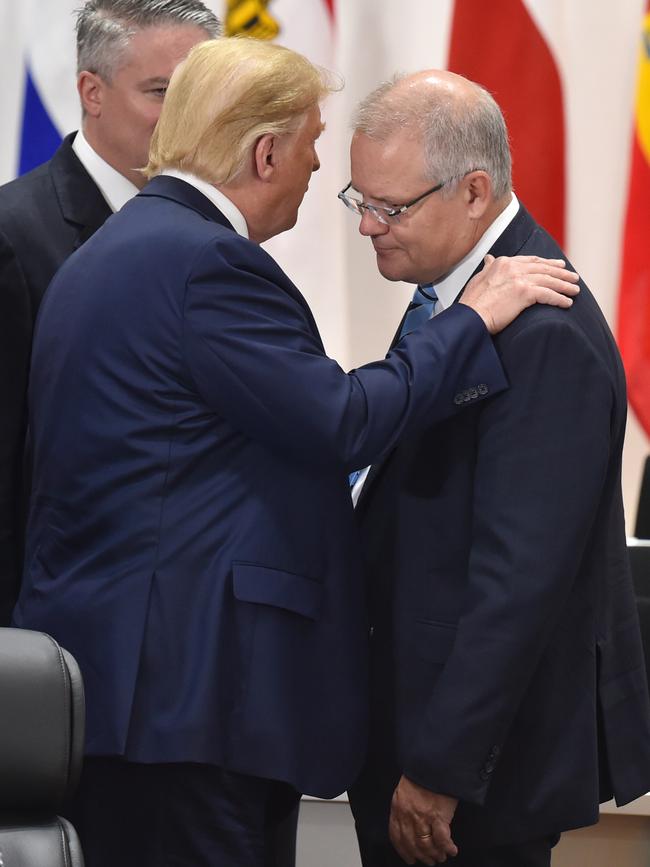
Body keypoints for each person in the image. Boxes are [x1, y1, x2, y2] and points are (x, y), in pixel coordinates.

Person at [12, 39, 578, 867]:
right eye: (315, 153)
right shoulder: (206, 263)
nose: (323, 183)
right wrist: (469, 318)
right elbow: (342, 419)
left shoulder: (114, 250)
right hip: (186, 706)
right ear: (265, 150)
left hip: (127, 695)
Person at [345, 70, 650, 867]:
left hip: (466, 781)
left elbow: (517, 584)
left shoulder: (544, 334)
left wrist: (440, 767)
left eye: (391, 206)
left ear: (474, 191)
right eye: (359, 199)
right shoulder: (460, 294)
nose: (368, 226)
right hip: (416, 740)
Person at [0, 0, 220, 625]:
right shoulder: (12, 236)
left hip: (182, 627)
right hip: (52, 624)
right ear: (91, 92)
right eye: (160, 92)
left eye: (198, 94)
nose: (186, 119)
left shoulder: (221, 234)